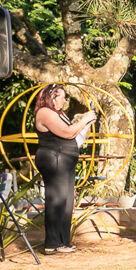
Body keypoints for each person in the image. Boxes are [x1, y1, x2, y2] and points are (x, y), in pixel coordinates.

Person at [33, 85, 94, 254]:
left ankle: (62, 242)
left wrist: (86, 124)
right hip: (54, 158)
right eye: (62, 97)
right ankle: (52, 243)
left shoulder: (60, 114)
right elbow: (67, 133)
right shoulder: (45, 112)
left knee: (67, 201)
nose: (65, 100)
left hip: (66, 159)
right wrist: (83, 119)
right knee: (56, 200)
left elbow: (76, 138)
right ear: (51, 97)